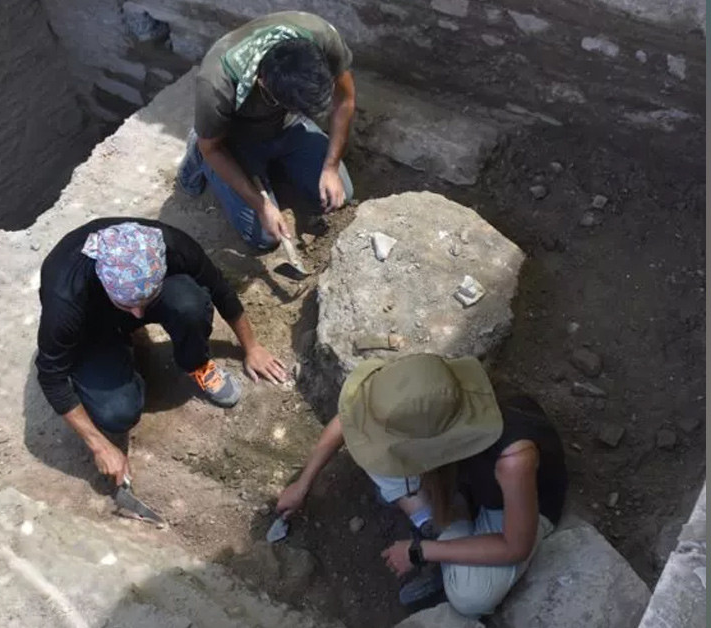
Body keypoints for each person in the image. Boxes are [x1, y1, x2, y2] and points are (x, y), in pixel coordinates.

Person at [275, 353, 569, 617]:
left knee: (470, 597)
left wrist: (419, 551)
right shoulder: (427, 394)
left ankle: (444, 539)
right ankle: (445, 531)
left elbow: (515, 546)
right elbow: (349, 421)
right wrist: (302, 484)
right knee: (369, 443)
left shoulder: (514, 461)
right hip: (457, 477)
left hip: (506, 507)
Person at [35, 218, 289, 486]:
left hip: (132, 298)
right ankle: (111, 356)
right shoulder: (65, 300)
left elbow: (220, 289)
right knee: (117, 413)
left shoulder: (172, 245)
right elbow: (51, 377)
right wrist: (99, 445)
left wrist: (252, 347)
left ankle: (196, 363)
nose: (138, 315)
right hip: (92, 328)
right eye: (128, 305)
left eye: (145, 301)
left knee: (190, 303)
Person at [177, 10, 356, 250]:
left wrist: (330, 167)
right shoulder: (217, 85)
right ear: (261, 81)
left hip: (288, 125)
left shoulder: (320, 36)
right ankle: (201, 139)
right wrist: (261, 205)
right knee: (266, 238)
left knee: (339, 196)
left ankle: (274, 165)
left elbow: (344, 99)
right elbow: (213, 149)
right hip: (236, 138)